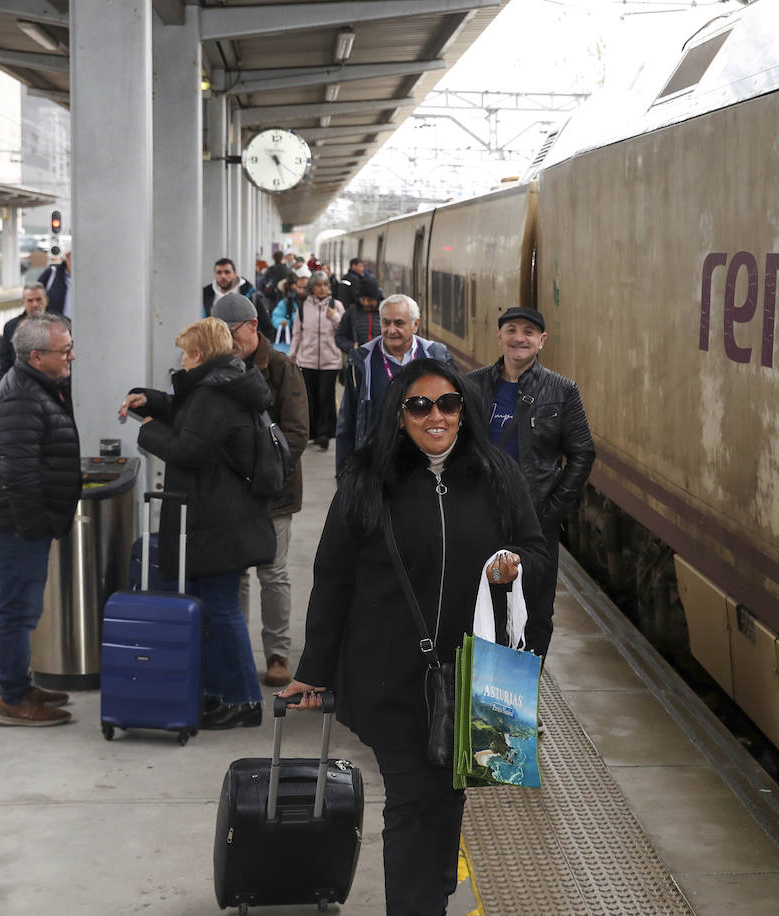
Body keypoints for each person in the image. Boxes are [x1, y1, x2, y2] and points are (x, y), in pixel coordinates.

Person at [280, 358, 552, 916]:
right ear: (399, 415)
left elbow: (537, 550)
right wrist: (313, 668)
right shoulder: (367, 480)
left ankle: (433, 892)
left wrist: (514, 565)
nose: (436, 416)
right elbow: (333, 578)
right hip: (389, 673)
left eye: (448, 404)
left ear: (464, 412)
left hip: (470, 671)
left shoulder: (498, 475)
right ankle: (417, 905)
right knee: (411, 798)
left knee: (448, 793)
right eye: (420, 405)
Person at [118, 317, 275, 729]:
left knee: (222, 610)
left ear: (201, 355)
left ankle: (243, 700)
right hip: (221, 518)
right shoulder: (222, 385)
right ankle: (225, 693)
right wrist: (148, 401)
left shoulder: (215, 394)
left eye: (186, 353)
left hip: (219, 521)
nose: (182, 361)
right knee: (215, 607)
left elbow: (189, 448)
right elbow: (190, 418)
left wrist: (149, 431)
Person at [466, 306, 595, 610]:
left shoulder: (562, 390)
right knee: (477, 604)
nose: (519, 338)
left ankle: (529, 660)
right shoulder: (472, 385)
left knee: (533, 609)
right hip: (479, 517)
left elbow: (582, 452)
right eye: (511, 330)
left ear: (542, 340)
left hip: (533, 524)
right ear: (500, 337)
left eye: (528, 332)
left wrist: (551, 511)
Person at [213, 293, 310, 688]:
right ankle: (236, 651)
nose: (226, 342)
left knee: (273, 573)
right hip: (231, 494)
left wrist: (261, 473)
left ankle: (277, 654)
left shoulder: (283, 368)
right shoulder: (218, 368)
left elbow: (297, 432)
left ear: (253, 327)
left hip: (274, 492)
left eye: (231, 333)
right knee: (235, 575)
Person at [0, 313, 81, 726]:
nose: (71, 357)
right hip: (17, 526)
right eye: (64, 351)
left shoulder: (40, 385)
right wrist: (33, 526)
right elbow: (18, 472)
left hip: (24, 524)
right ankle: (12, 697)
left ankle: (18, 683)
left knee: (22, 611)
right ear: (35, 355)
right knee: (18, 613)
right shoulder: (22, 396)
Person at [336, 294, 453, 474]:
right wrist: (344, 473)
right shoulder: (362, 361)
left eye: (399, 323)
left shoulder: (437, 357)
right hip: (378, 466)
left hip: (427, 465)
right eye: (386, 322)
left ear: (415, 324)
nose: (391, 330)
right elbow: (348, 421)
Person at [288, 270, 344, 451]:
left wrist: (334, 316)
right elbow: (297, 333)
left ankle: (324, 433)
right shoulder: (304, 307)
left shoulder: (337, 305)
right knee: (310, 398)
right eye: (318, 285)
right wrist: (292, 357)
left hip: (330, 361)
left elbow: (343, 331)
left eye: (325, 285)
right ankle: (312, 432)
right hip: (307, 360)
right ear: (312, 288)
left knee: (325, 396)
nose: (322, 288)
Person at [0, 282, 49, 376]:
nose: (35, 304)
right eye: (30, 300)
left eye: (39, 299)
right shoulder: (10, 327)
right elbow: (5, 364)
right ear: (23, 302)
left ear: (46, 300)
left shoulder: (61, 325)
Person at [334, 278, 383, 355]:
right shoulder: (352, 312)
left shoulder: (386, 312)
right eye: (363, 299)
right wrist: (352, 346)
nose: (366, 303)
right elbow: (339, 336)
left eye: (370, 300)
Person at [270, 274, 305, 355]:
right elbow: (276, 316)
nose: (301, 291)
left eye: (304, 288)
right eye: (299, 288)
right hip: (290, 339)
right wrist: (282, 321)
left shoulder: (312, 303)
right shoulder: (286, 302)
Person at [38, 251, 71, 318]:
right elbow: (34, 297)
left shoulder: (92, 278)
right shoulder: (52, 274)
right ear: (68, 256)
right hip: (56, 326)